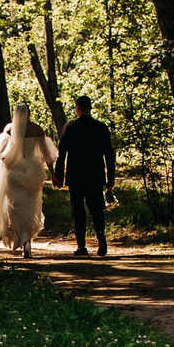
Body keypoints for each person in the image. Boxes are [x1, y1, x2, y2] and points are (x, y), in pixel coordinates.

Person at [0, 103, 56, 256]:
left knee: (15, 207)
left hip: (15, 171)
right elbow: (47, 155)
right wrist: (53, 174)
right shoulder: (37, 129)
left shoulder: (10, 129)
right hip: (33, 171)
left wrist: (9, 162)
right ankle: (27, 240)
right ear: (29, 114)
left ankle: (23, 238)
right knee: (32, 206)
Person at [57, 95, 115, 257]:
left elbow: (61, 154)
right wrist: (111, 178)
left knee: (78, 209)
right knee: (97, 208)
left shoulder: (70, 127)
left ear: (78, 108)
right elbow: (109, 155)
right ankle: (101, 238)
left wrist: (59, 176)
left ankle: (81, 246)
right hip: (95, 174)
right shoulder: (101, 128)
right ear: (90, 107)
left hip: (76, 175)